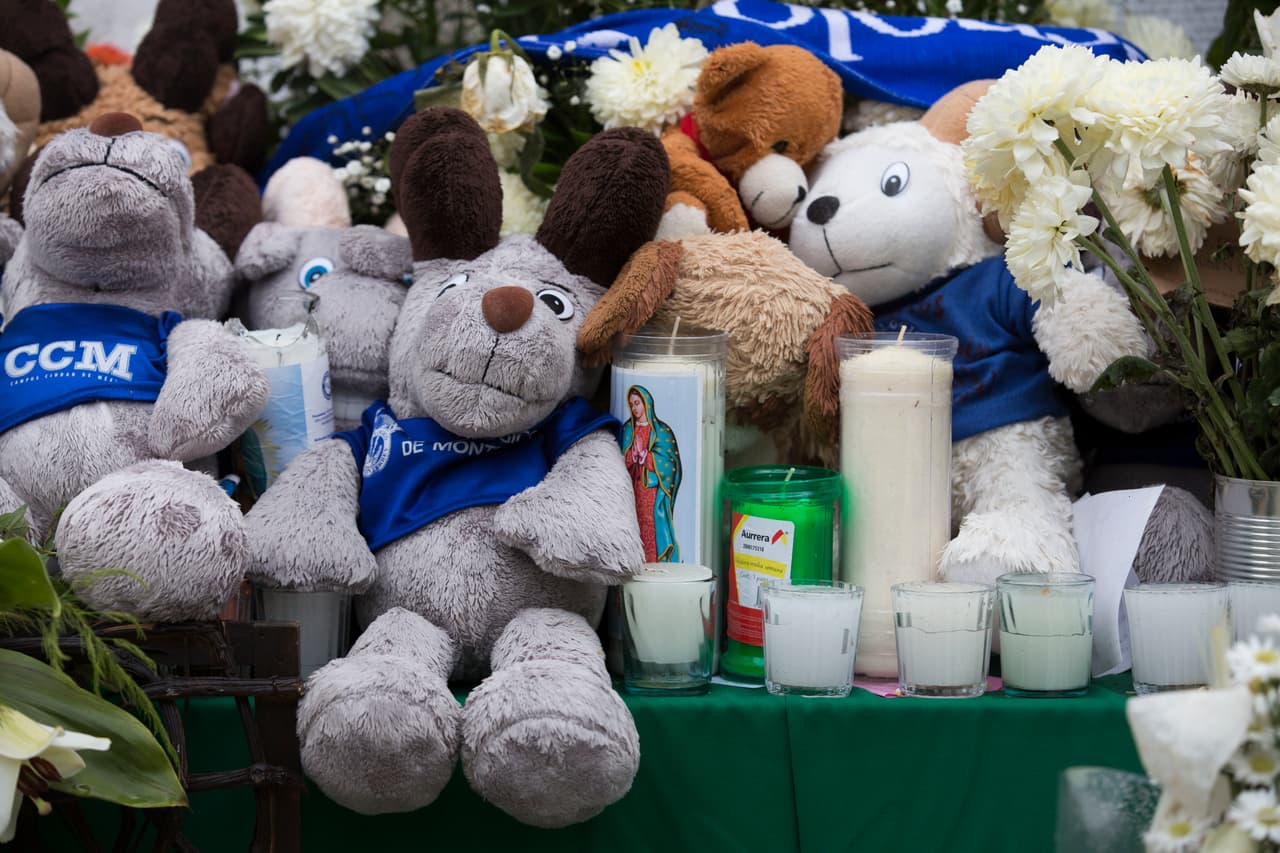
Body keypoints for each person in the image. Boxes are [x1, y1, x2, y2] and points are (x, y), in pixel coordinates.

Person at [620, 385, 681, 562]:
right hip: (632, 490)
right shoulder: (627, 430)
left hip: (652, 491)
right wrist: (632, 455)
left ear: (647, 403)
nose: (634, 408)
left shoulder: (662, 431)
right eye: (631, 404)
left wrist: (647, 457)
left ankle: (654, 564)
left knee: (652, 527)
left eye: (637, 403)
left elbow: (669, 462)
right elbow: (619, 458)